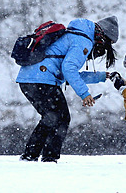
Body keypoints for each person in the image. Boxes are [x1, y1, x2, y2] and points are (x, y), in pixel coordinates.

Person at [16, 16, 119, 162]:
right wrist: (84, 94)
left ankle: (32, 155)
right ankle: (46, 158)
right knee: (60, 118)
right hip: (41, 79)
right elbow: (69, 69)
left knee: (52, 117)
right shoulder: (83, 41)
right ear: (103, 37)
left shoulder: (76, 35)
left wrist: (102, 76)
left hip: (30, 78)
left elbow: (69, 73)